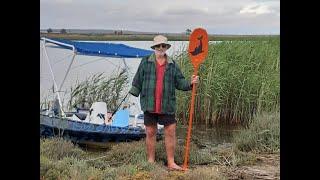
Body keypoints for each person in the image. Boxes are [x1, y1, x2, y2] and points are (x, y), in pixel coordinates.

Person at [129, 35, 199, 170]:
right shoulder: (145, 61)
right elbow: (138, 79)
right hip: (149, 103)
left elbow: (180, 82)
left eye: (163, 46)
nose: (160, 48)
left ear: (166, 47)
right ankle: (150, 161)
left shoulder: (172, 64)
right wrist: (134, 91)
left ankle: (171, 162)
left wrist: (191, 83)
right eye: (158, 46)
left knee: (170, 131)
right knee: (150, 132)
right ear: (154, 47)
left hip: (167, 104)